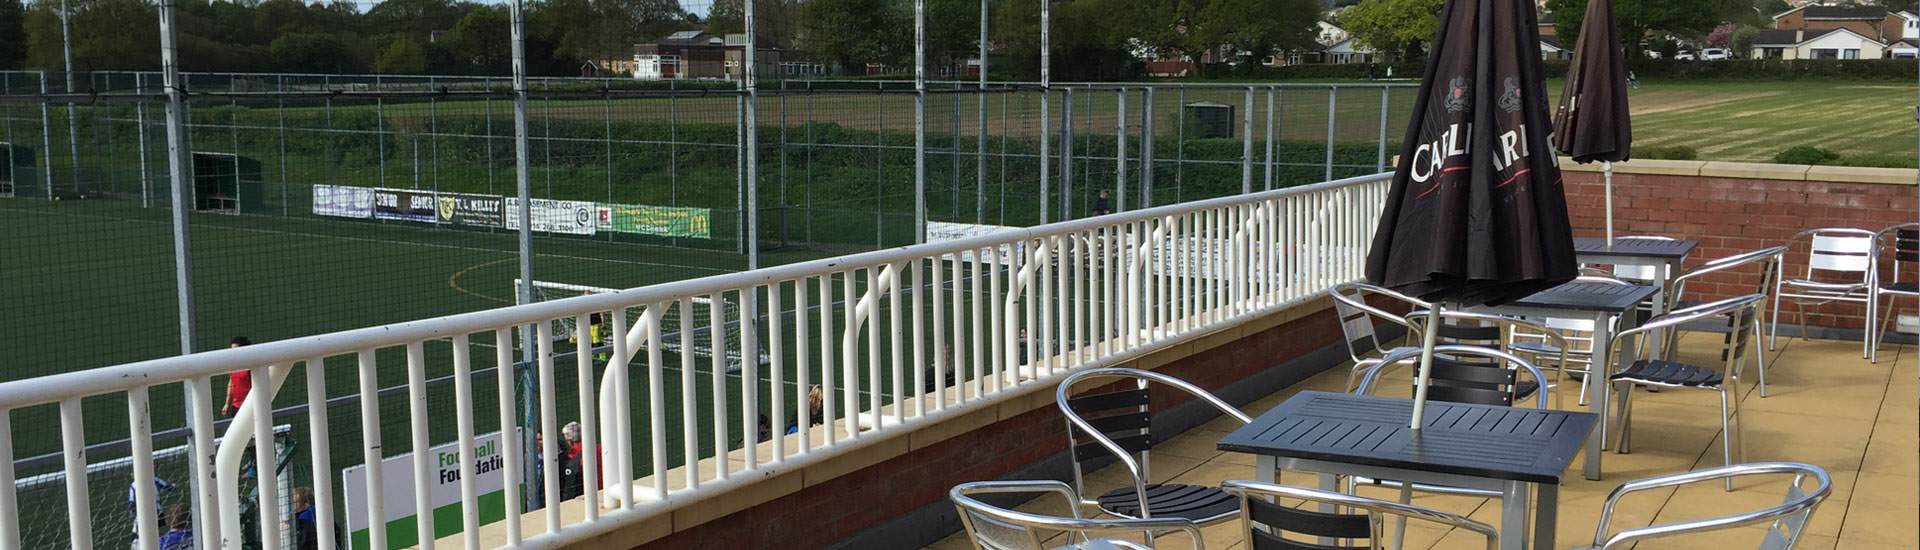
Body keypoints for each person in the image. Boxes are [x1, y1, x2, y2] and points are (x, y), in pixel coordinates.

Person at [222, 336, 253, 416]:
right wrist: (227, 404)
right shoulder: (233, 366)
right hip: (236, 407)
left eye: (235, 350)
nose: (233, 353)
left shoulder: (251, 367)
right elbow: (231, 384)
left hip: (249, 406)